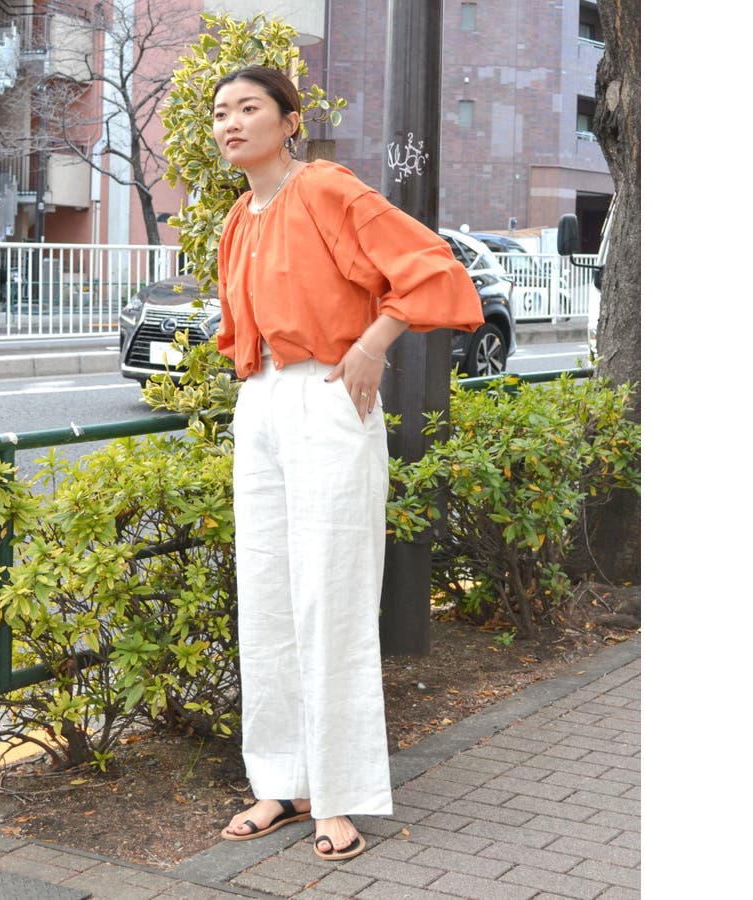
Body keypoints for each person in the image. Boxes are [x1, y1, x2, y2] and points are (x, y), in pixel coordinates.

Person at [211, 65, 483, 861]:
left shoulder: (326, 187)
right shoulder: (238, 218)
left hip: (327, 394)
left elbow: (432, 264)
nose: (231, 123)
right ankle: (281, 782)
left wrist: (372, 343)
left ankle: (337, 796)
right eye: (221, 112)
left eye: (249, 107)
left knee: (332, 592)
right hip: (261, 401)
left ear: (289, 120)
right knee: (267, 595)